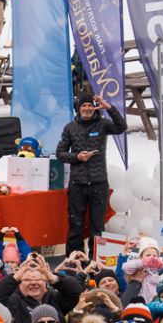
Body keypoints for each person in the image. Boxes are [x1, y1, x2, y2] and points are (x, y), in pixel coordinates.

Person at [56, 95, 127, 258]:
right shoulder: (70, 128)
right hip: (77, 184)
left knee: (97, 226)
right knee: (76, 225)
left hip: (98, 183)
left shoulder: (103, 124)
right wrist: (76, 157)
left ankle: (96, 260)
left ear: (94, 108)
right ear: (78, 108)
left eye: (90, 105)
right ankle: (75, 259)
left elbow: (122, 127)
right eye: (84, 105)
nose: (87, 108)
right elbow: (60, 153)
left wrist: (109, 108)